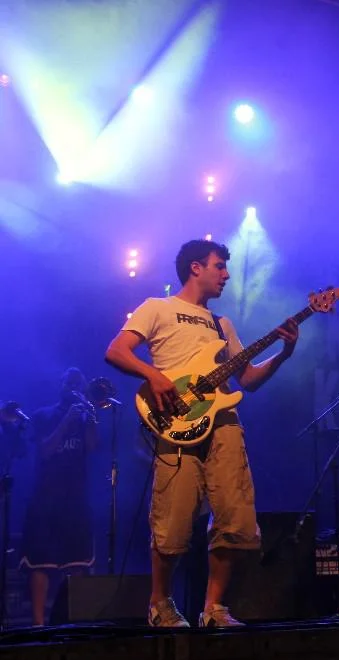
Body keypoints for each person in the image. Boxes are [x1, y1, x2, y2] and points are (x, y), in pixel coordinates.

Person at [105, 239, 299, 628]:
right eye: (219, 266)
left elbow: (248, 380)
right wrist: (154, 375)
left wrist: (283, 354)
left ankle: (214, 608)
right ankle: (160, 605)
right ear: (196, 268)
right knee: (172, 518)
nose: (226, 275)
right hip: (176, 423)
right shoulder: (157, 308)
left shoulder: (221, 324)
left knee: (236, 517)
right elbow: (117, 351)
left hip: (224, 424)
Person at [17, 368, 97, 626]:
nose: (73, 387)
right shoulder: (43, 415)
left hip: (75, 499)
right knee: (41, 563)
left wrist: (90, 419)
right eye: (69, 382)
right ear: (60, 384)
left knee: (77, 562)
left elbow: (92, 448)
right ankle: (38, 625)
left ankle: (74, 622)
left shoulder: (85, 417)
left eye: (78, 383)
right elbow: (44, 451)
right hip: (45, 499)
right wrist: (66, 422)